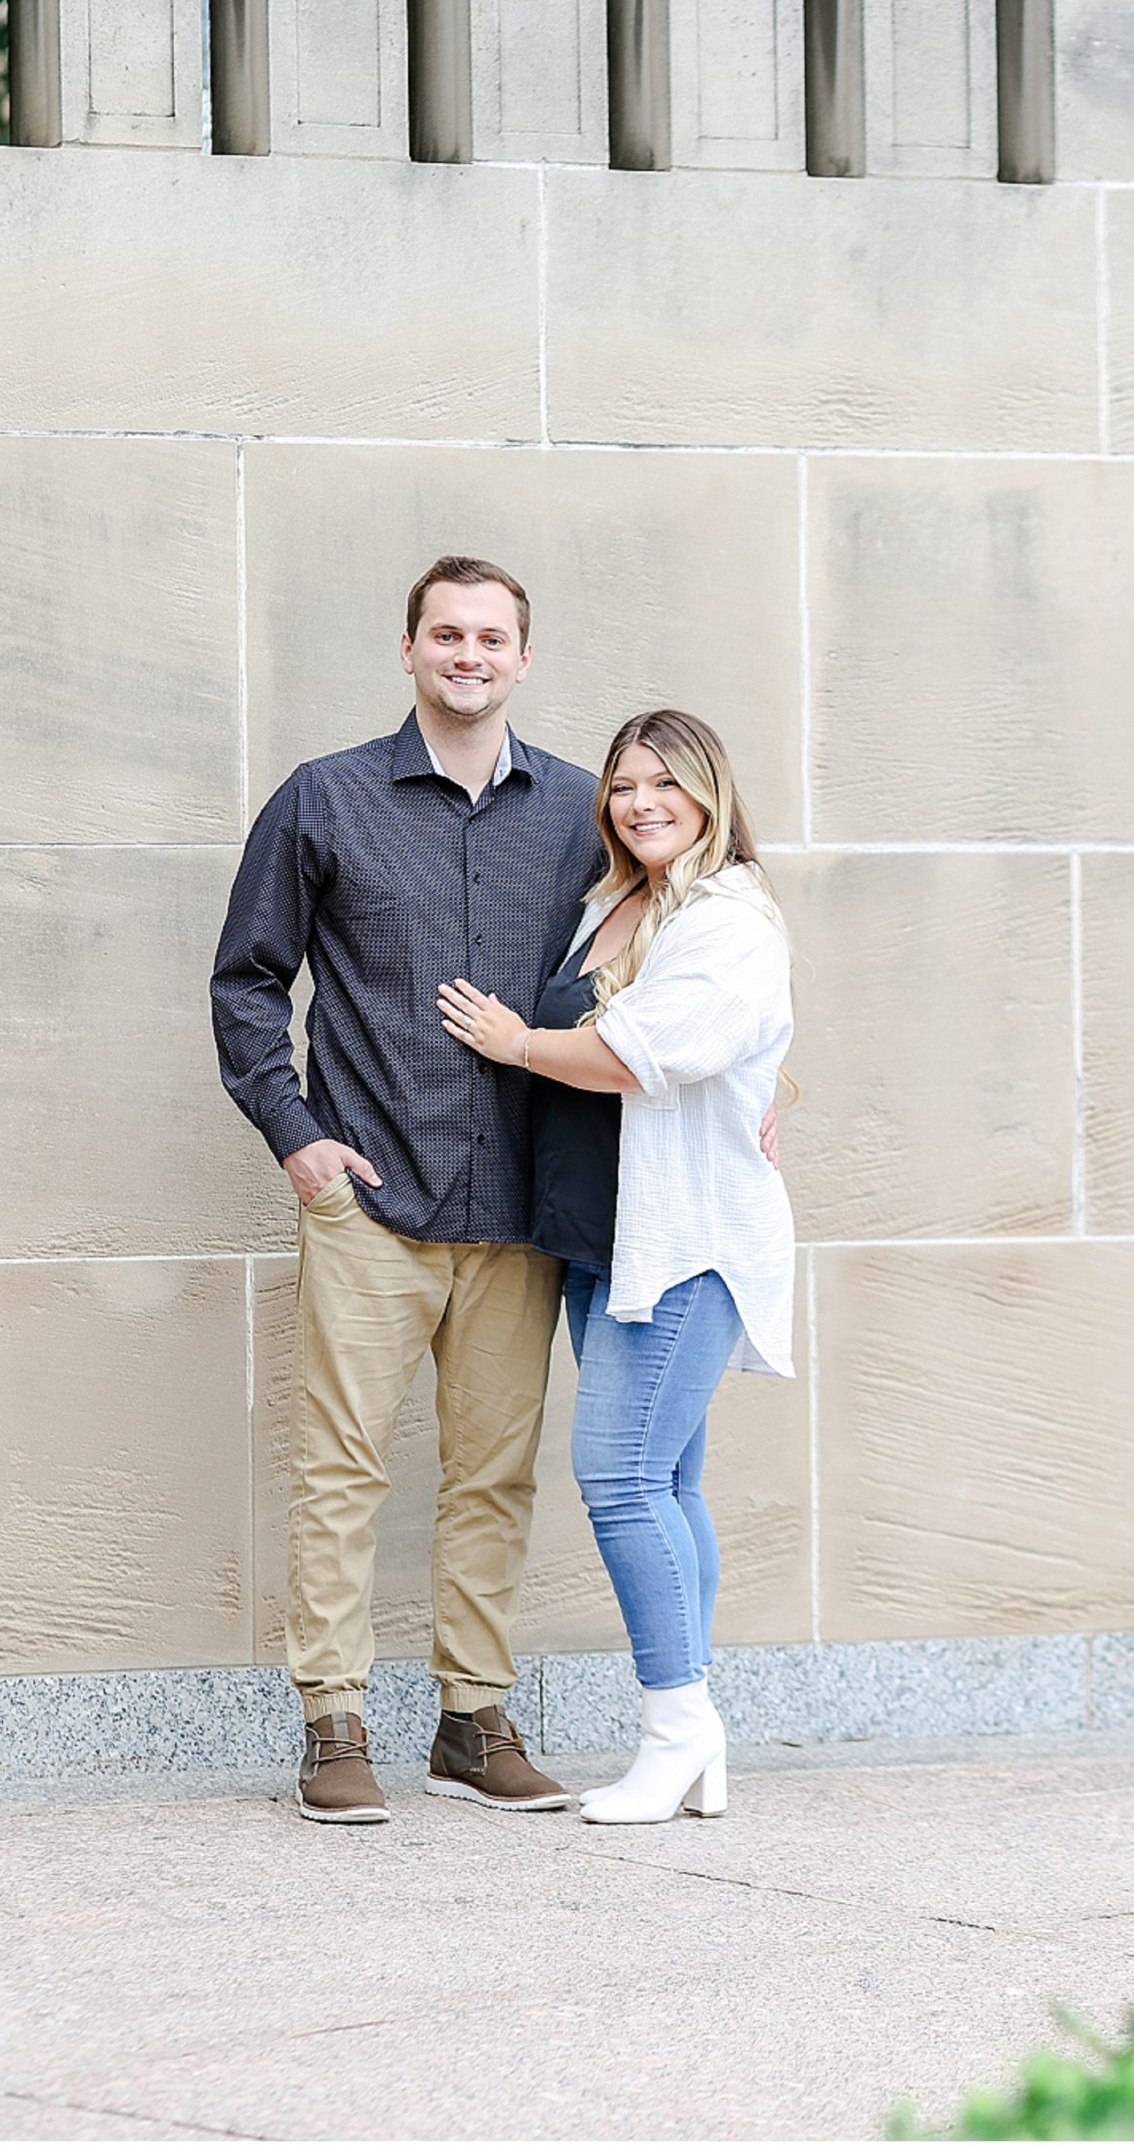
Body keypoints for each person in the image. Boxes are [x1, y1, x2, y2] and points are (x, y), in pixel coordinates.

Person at [211, 555, 603, 1823]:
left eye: (494, 636)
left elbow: (666, 964)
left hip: (521, 1207)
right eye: (449, 634)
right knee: (342, 1469)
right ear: (410, 650)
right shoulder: (324, 799)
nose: (470, 655)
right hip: (371, 1192)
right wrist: (296, 1135)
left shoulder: (586, 810)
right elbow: (247, 981)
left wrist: (747, 1083)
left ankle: (473, 1721)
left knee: (495, 1476)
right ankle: (333, 1726)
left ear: (524, 659)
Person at [436, 709, 796, 1825]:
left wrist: (519, 1044)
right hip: (604, 1241)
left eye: (664, 783)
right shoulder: (616, 900)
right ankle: (702, 1736)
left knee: (622, 1476)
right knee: (670, 1482)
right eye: (625, 784)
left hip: (682, 1245)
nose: (641, 801)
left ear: (710, 791)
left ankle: (676, 1724)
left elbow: (659, 1049)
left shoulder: (729, 915)